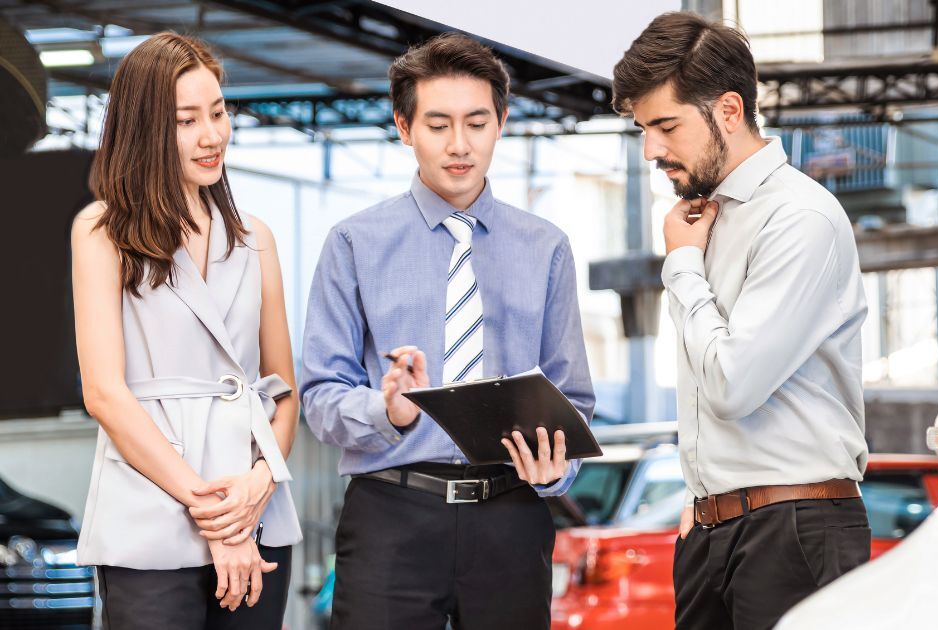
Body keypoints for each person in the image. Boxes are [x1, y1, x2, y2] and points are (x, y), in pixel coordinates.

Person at [300, 33, 594, 630]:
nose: (460, 145)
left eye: (476, 123)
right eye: (438, 125)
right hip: (391, 514)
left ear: (501, 123)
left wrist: (556, 467)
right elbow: (318, 398)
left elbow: (575, 401)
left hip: (512, 517)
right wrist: (390, 411)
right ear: (404, 128)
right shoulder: (354, 242)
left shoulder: (547, 249)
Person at [612, 12, 872, 630]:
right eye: (644, 129)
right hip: (712, 530)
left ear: (729, 110)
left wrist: (679, 266)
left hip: (794, 533)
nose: (652, 148)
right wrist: (702, 499)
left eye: (666, 125)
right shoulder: (704, 219)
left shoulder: (798, 218)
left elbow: (733, 385)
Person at [71, 32, 301, 629]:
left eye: (219, 112)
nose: (212, 135)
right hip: (152, 510)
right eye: (186, 119)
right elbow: (105, 394)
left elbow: (283, 390)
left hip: (257, 511)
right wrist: (211, 512)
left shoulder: (256, 238)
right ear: (145, 128)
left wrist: (259, 484)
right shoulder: (101, 231)